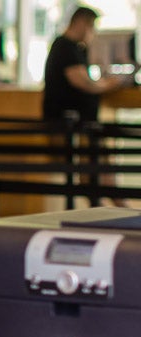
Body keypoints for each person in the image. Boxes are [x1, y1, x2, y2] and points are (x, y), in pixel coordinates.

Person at [42, 6, 133, 206]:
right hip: (74, 126)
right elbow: (84, 83)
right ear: (82, 23)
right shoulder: (64, 47)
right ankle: (113, 210)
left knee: (100, 171)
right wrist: (111, 83)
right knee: (94, 171)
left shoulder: (76, 48)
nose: (93, 32)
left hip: (84, 125)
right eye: (91, 26)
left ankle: (115, 210)